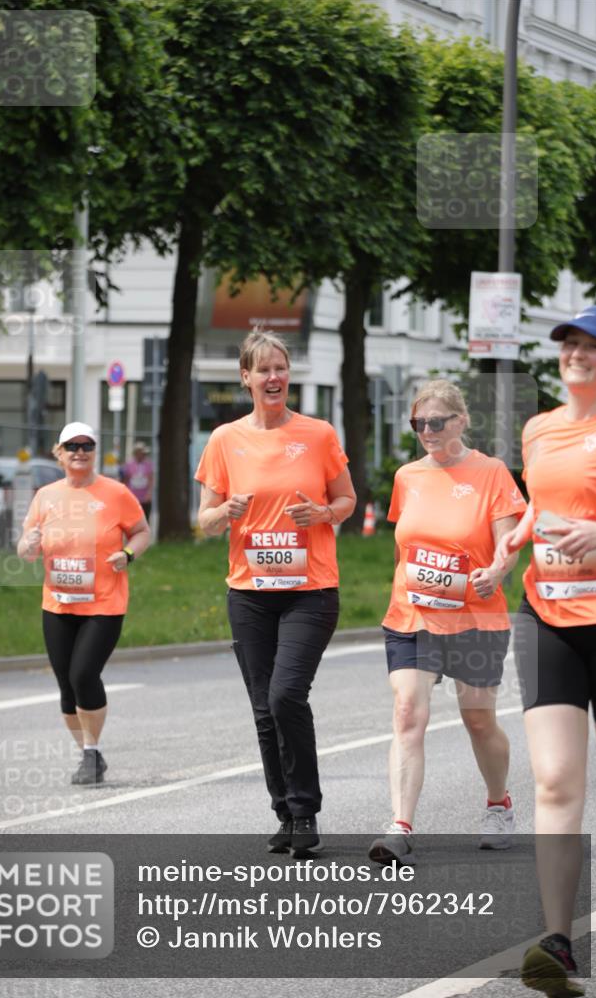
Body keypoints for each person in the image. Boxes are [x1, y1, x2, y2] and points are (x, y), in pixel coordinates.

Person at [195, 329, 356, 857]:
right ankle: (284, 812)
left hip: (310, 588)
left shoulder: (317, 434)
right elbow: (204, 521)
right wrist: (225, 513)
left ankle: (306, 807)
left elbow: (348, 499)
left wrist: (325, 513)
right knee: (264, 708)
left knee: (287, 694)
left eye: (280, 368)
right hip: (250, 592)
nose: (273, 377)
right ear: (245, 377)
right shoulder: (224, 440)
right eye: (262, 369)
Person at [492, 306, 596, 998]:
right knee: (556, 782)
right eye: (567, 345)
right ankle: (557, 944)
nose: (575, 355)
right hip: (546, 616)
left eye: (590, 346)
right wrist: (516, 538)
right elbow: (541, 501)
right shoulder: (537, 428)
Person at [369, 379, 526, 867]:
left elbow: (509, 543)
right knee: (407, 713)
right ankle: (399, 826)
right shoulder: (408, 476)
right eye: (419, 424)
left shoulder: (491, 472)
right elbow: (404, 545)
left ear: (461, 421)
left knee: (478, 719)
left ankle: (499, 803)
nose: (428, 432)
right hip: (412, 614)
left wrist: (497, 572)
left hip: (476, 616)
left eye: (437, 422)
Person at [17, 422, 151, 785]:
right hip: (58, 604)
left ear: (94, 451)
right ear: (58, 452)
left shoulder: (115, 493)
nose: (79, 451)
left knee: (83, 674)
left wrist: (127, 554)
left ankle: (92, 751)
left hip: (104, 604)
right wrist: (28, 547)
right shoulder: (46, 496)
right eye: (71, 445)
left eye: (86, 445)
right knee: (65, 684)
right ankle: (89, 755)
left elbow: (142, 531)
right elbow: (26, 544)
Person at [122, 442, 154, 522]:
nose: (142, 455)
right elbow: (126, 479)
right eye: (140, 453)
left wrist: (149, 493)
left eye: (143, 453)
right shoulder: (129, 464)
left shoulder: (148, 464)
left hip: (144, 497)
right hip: (132, 495)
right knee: (132, 518)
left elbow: (151, 479)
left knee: (145, 518)